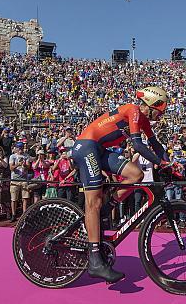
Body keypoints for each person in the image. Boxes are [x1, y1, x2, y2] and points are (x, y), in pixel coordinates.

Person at [71, 86, 169, 283]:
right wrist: (161, 163)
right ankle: (95, 261)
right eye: (160, 111)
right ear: (151, 104)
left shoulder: (144, 120)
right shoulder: (133, 110)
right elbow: (138, 146)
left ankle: (109, 206)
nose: (161, 116)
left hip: (99, 150)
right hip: (86, 146)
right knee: (93, 202)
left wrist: (169, 162)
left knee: (136, 174)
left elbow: (155, 145)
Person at [9, 142, 30, 219]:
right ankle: (13, 215)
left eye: (21, 147)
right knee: (14, 199)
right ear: (16, 148)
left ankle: (24, 215)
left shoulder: (26, 156)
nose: (20, 149)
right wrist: (18, 164)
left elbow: (28, 167)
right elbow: (11, 168)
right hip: (14, 179)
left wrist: (24, 165)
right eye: (19, 147)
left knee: (25, 198)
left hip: (24, 179)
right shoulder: (12, 156)